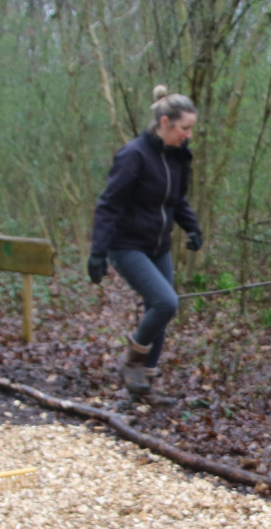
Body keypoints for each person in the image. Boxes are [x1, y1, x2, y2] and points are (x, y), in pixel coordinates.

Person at [87, 85, 203, 406]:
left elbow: (176, 200)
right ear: (165, 122)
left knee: (160, 311)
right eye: (184, 128)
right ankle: (132, 363)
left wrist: (192, 228)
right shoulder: (133, 155)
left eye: (191, 128)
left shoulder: (177, 156)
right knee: (166, 303)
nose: (188, 135)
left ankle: (144, 387)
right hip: (127, 245)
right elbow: (109, 205)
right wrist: (98, 252)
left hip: (158, 246)